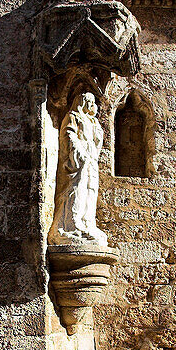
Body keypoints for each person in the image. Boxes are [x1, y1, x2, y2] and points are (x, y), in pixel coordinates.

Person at [51, 92, 107, 246]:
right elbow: (68, 135)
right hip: (78, 160)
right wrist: (78, 152)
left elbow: (96, 141)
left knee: (90, 189)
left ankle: (87, 222)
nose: (92, 105)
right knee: (77, 189)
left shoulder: (92, 121)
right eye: (89, 102)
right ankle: (71, 223)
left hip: (90, 160)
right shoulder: (73, 116)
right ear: (82, 102)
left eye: (93, 103)